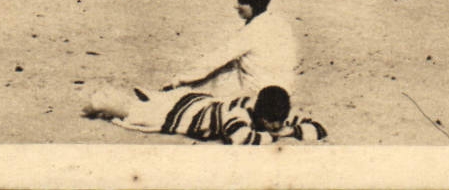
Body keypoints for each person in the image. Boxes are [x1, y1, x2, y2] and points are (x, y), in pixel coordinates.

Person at [161, 0, 297, 99]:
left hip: (258, 91)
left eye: (242, 2)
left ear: (254, 3)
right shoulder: (280, 23)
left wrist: (179, 79)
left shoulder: (252, 30)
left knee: (206, 82)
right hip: (284, 88)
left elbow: (216, 58)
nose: (236, 6)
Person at [85, 83, 327, 145]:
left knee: (144, 104)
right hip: (187, 112)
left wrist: (291, 128)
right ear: (259, 114)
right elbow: (241, 138)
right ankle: (102, 97)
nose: (275, 125)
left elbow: (318, 129)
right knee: (128, 110)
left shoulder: (276, 111)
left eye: (279, 122)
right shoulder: (239, 114)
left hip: (200, 102)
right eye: (270, 122)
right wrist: (282, 135)